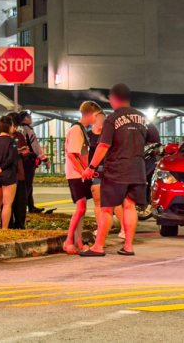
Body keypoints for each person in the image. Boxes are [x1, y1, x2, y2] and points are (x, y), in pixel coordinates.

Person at [81, 84, 159, 257]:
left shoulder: (112, 118)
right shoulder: (142, 117)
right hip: (137, 168)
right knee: (130, 206)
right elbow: (154, 139)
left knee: (107, 208)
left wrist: (91, 167)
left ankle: (98, 247)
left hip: (117, 167)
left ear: (114, 98)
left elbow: (103, 145)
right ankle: (128, 246)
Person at [63, 101, 100, 254]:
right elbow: (72, 154)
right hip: (76, 175)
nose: (97, 119)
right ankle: (69, 241)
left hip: (80, 173)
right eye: (96, 116)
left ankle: (77, 241)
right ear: (89, 114)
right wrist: (84, 171)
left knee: (82, 209)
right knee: (81, 209)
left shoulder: (82, 130)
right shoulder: (76, 130)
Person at [86, 110, 126, 238]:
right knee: (98, 201)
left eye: (104, 120)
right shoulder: (88, 136)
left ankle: (124, 229)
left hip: (110, 169)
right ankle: (101, 228)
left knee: (115, 201)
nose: (102, 122)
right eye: (99, 120)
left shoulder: (110, 135)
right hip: (96, 170)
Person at [0, 116, 18, 230]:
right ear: (9, 127)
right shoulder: (12, 142)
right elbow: (11, 158)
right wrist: (2, 167)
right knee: (7, 203)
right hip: (8, 174)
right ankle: (4, 228)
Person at [18, 110, 49, 213]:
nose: (31, 119)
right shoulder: (28, 130)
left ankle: (30, 206)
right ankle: (24, 207)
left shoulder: (20, 129)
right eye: (29, 117)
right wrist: (42, 157)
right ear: (26, 119)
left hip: (22, 158)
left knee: (27, 183)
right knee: (28, 183)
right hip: (29, 159)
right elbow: (35, 145)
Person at [8, 112, 31, 229]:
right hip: (7, 175)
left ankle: (20, 224)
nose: (16, 128)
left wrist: (25, 153)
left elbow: (24, 154)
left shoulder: (19, 136)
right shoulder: (0, 138)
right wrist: (17, 152)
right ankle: (7, 224)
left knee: (21, 201)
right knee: (7, 203)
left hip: (19, 174)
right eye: (14, 125)